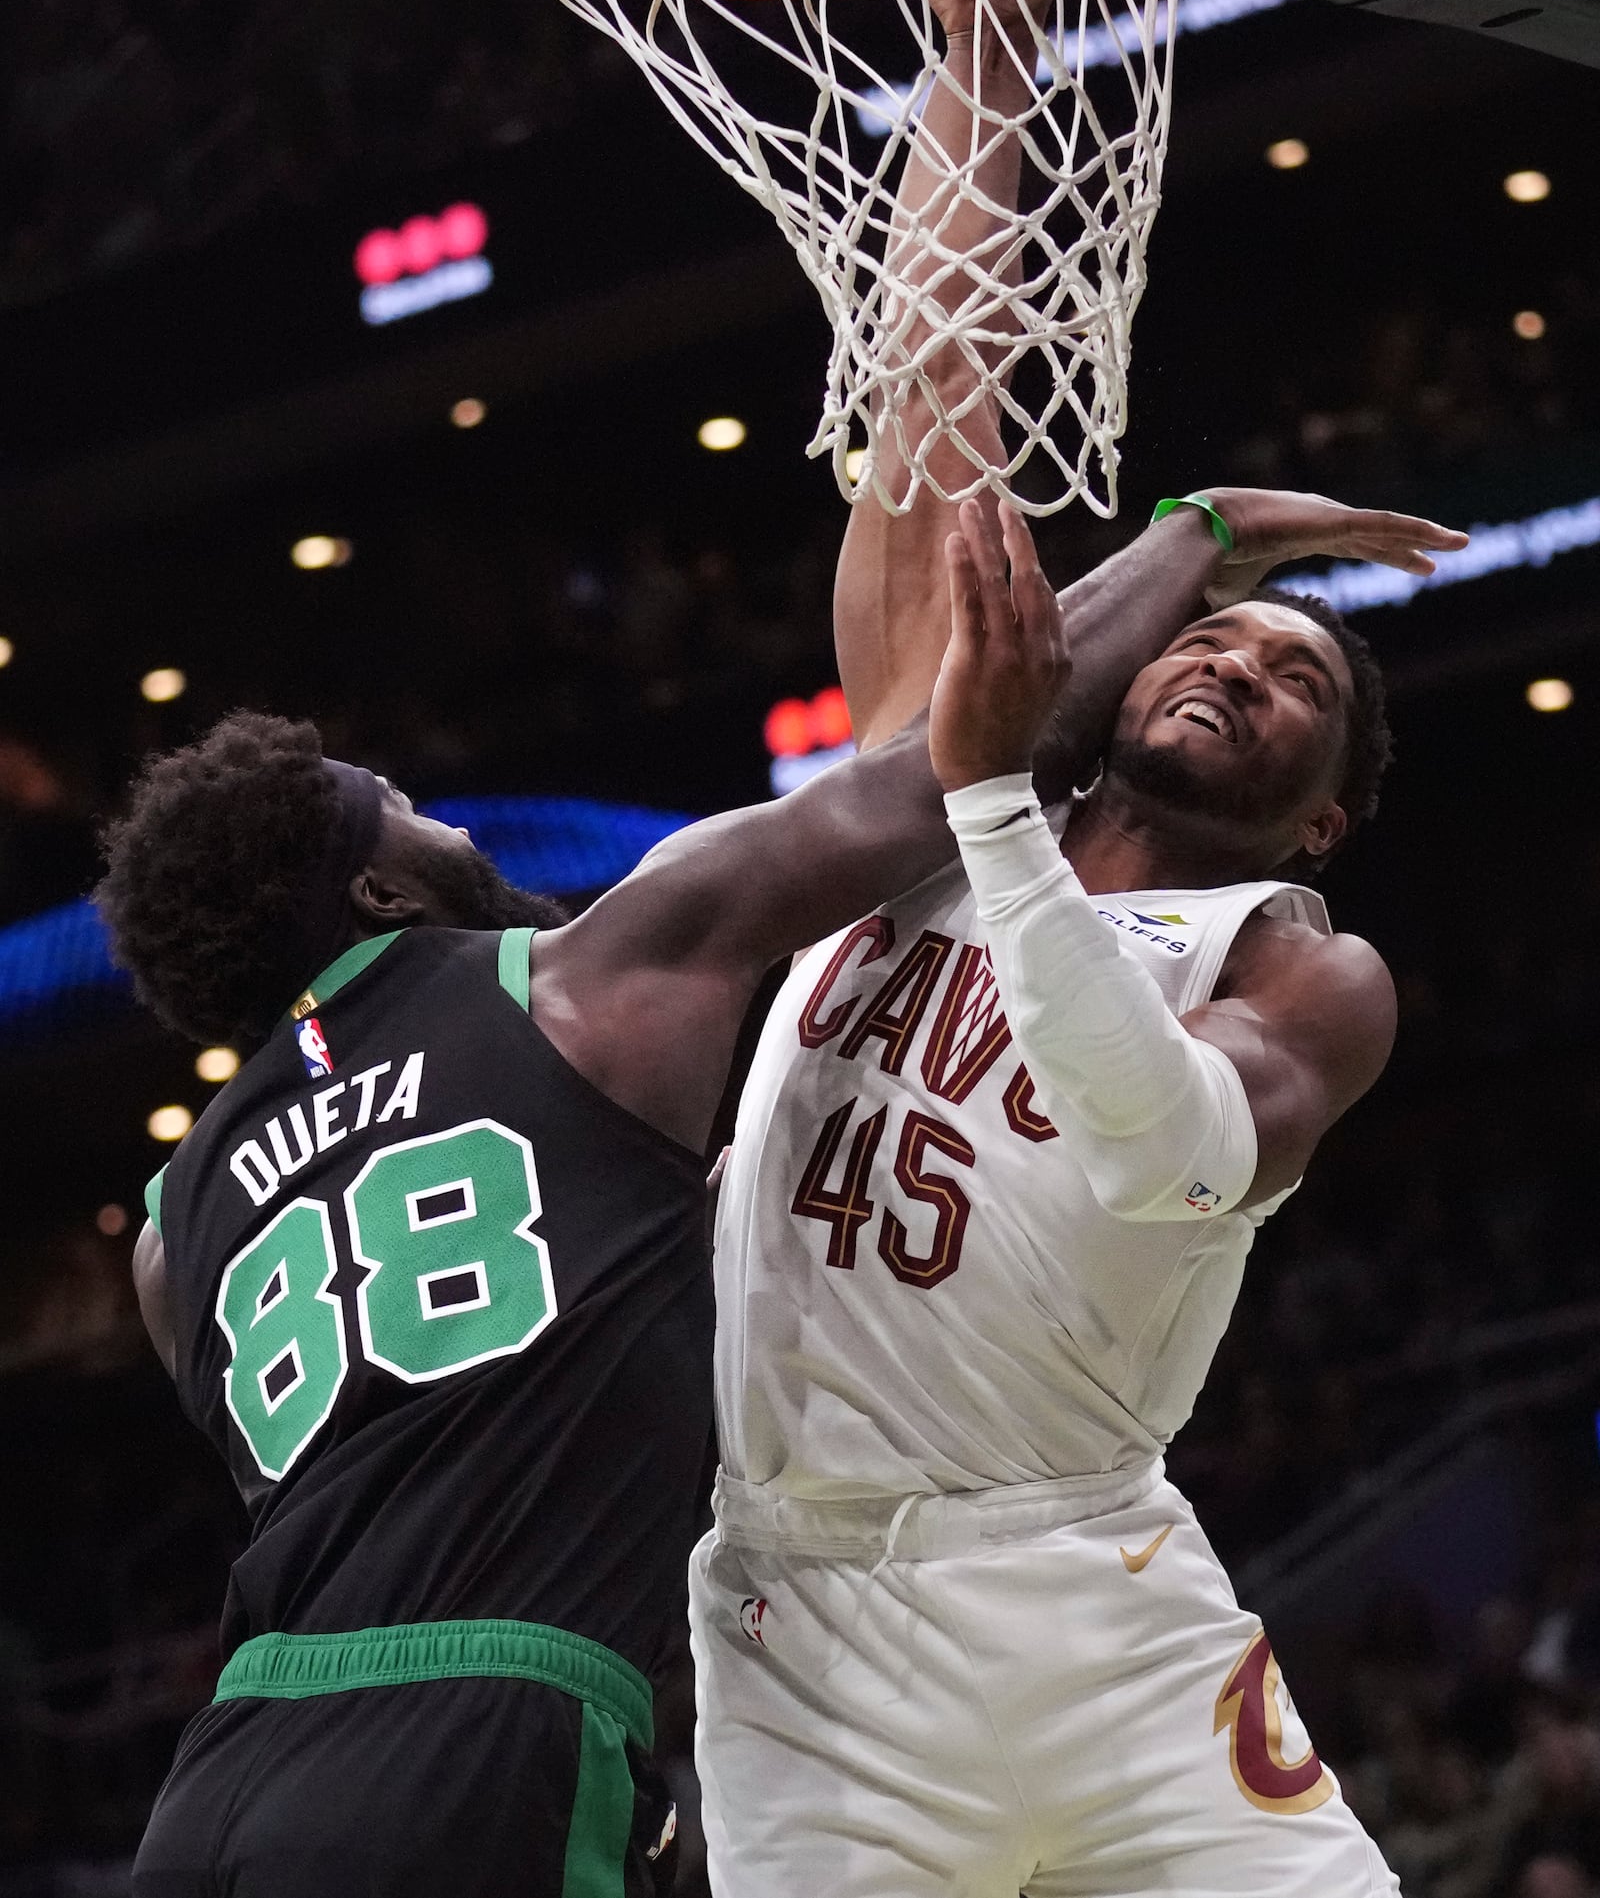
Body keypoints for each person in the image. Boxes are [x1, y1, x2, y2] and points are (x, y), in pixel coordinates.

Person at [103, 491, 1310, 1898]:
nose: (448, 824)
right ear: (378, 891)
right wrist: (1198, 544)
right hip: (478, 1739)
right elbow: (958, 761)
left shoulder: (166, 1236)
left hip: (221, 1777)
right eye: (414, 813)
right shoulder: (580, 987)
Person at [689, 0, 1469, 1896]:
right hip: (801, 1630)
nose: (1232, 660)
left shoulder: (1294, 968)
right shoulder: (920, 822)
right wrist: (979, 44)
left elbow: (1157, 1146)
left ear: (1319, 812)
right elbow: (933, 380)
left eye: (1288, 679)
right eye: (1213, 635)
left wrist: (979, 804)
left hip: (1095, 1596)